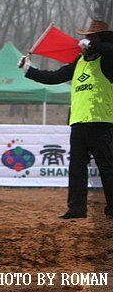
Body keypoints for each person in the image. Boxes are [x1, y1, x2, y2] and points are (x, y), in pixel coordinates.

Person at [18, 19, 113, 219]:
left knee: (107, 167)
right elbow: (54, 77)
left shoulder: (108, 60)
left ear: (100, 39)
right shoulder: (79, 62)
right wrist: (28, 69)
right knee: (77, 168)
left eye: (90, 37)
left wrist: (95, 45)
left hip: (102, 122)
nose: (85, 41)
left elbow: (109, 50)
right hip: (78, 123)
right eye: (85, 38)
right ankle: (77, 209)